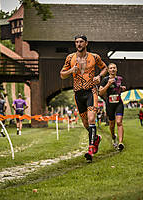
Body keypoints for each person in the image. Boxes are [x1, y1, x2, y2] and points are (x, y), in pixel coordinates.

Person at [60, 34, 108, 162]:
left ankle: (91, 149)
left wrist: (99, 77)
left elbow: (104, 68)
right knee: (86, 124)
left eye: (81, 42)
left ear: (86, 43)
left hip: (91, 91)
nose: (78, 44)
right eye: (76, 42)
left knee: (92, 119)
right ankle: (96, 139)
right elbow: (62, 75)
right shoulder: (70, 58)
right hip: (78, 94)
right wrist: (71, 71)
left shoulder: (94, 57)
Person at [99, 63, 126, 151]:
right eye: (111, 68)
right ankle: (113, 136)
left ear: (116, 69)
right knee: (111, 124)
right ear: (108, 70)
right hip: (109, 104)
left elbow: (119, 88)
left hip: (118, 102)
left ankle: (121, 142)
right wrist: (108, 84)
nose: (112, 69)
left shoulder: (120, 79)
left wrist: (122, 88)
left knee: (119, 122)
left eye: (114, 68)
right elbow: (100, 92)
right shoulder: (105, 80)